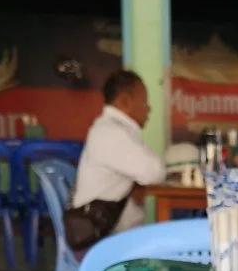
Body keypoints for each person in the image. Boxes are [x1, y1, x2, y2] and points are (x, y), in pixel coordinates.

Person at [66, 69, 165, 250]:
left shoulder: (112, 129)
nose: (148, 108)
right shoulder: (111, 134)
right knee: (165, 243)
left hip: (106, 228)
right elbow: (154, 172)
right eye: (144, 101)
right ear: (125, 102)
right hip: (98, 237)